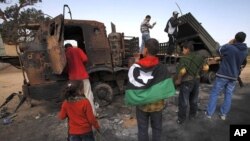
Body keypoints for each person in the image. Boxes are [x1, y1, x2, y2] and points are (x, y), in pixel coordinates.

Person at [126, 38, 175, 141]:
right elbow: (167, 87)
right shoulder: (162, 68)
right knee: (157, 129)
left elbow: (132, 85)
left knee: (142, 130)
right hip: (157, 106)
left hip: (141, 106)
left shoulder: (136, 67)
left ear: (146, 50)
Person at [206, 32, 248, 120]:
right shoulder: (245, 50)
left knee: (215, 93)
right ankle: (223, 114)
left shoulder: (229, 47)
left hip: (223, 75)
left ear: (235, 38)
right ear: (244, 40)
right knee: (228, 95)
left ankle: (209, 113)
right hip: (233, 77)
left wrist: (229, 43)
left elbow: (218, 50)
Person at [175, 41, 206, 124]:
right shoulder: (200, 57)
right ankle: (192, 116)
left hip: (186, 82)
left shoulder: (184, 58)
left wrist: (178, 80)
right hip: (196, 80)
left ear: (187, 49)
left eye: (183, 49)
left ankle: (181, 119)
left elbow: (182, 71)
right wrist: (200, 75)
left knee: (183, 101)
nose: (182, 51)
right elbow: (205, 68)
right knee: (194, 100)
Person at [64, 43, 97, 116]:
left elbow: (65, 68)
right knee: (88, 94)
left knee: (76, 96)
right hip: (82, 76)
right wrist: (81, 65)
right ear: (71, 46)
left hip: (73, 79)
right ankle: (93, 114)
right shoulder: (77, 50)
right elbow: (85, 59)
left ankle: (80, 114)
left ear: (65, 48)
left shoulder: (65, 55)